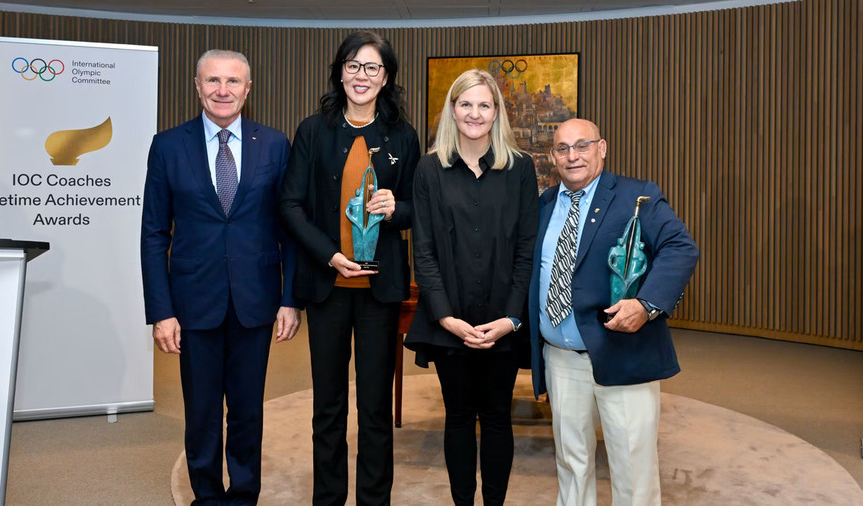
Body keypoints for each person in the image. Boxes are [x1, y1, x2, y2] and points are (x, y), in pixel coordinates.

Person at [140, 49, 300, 506]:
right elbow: (153, 233)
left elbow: (288, 228)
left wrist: (290, 299)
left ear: (249, 89)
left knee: (248, 411)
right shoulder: (168, 146)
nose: (223, 90)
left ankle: (244, 495)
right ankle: (207, 497)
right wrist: (162, 310)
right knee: (202, 412)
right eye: (213, 81)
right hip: (193, 302)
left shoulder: (273, 144)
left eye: (233, 82)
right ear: (197, 86)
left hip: (256, 299)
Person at [278, 31, 420, 505]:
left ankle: (374, 500)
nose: (362, 76)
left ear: (386, 78)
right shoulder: (314, 130)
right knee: (329, 405)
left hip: (381, 289)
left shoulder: (402, 134)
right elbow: (291, 205)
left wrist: (394, 207)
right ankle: (329, 498)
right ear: (340, 72)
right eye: (354, 66)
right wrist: (328, 254)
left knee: (376, 407)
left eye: (373, 68)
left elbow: (418, 208)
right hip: (328, 285)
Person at [528, 118, 698, 505]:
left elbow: (680, 247)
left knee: (632, 467)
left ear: (601, 148)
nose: (572, 156)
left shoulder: (637, 196)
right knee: (572, 463)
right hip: (560, 357)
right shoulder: (545, 204)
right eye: (562, 148)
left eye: (582, 145)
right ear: (552, 156)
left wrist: (647, 304)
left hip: (622, 351)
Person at [404, 69, 539, 506]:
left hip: (504, 318)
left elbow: (526, 249)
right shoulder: (429, 168)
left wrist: (512, 317)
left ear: (496, 111)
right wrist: (446, 317)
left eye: (484, 104)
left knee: (497, 417)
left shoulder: (520, 168)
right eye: (466, 104)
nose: (474, 113)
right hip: (450, 320)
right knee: (459, 417)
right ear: (452, 110)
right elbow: (422, 250)